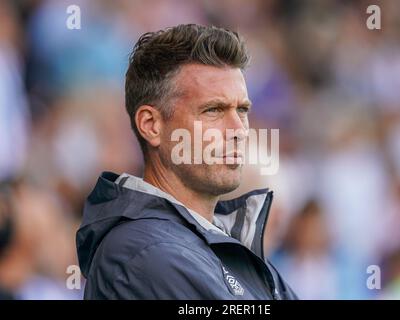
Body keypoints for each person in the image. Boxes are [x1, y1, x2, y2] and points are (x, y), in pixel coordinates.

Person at [76, 24, 297, 300]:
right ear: (151, 125)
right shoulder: (142, 253)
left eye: (242, 110)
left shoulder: (222, 243)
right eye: (214, 110)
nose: (239, 130)